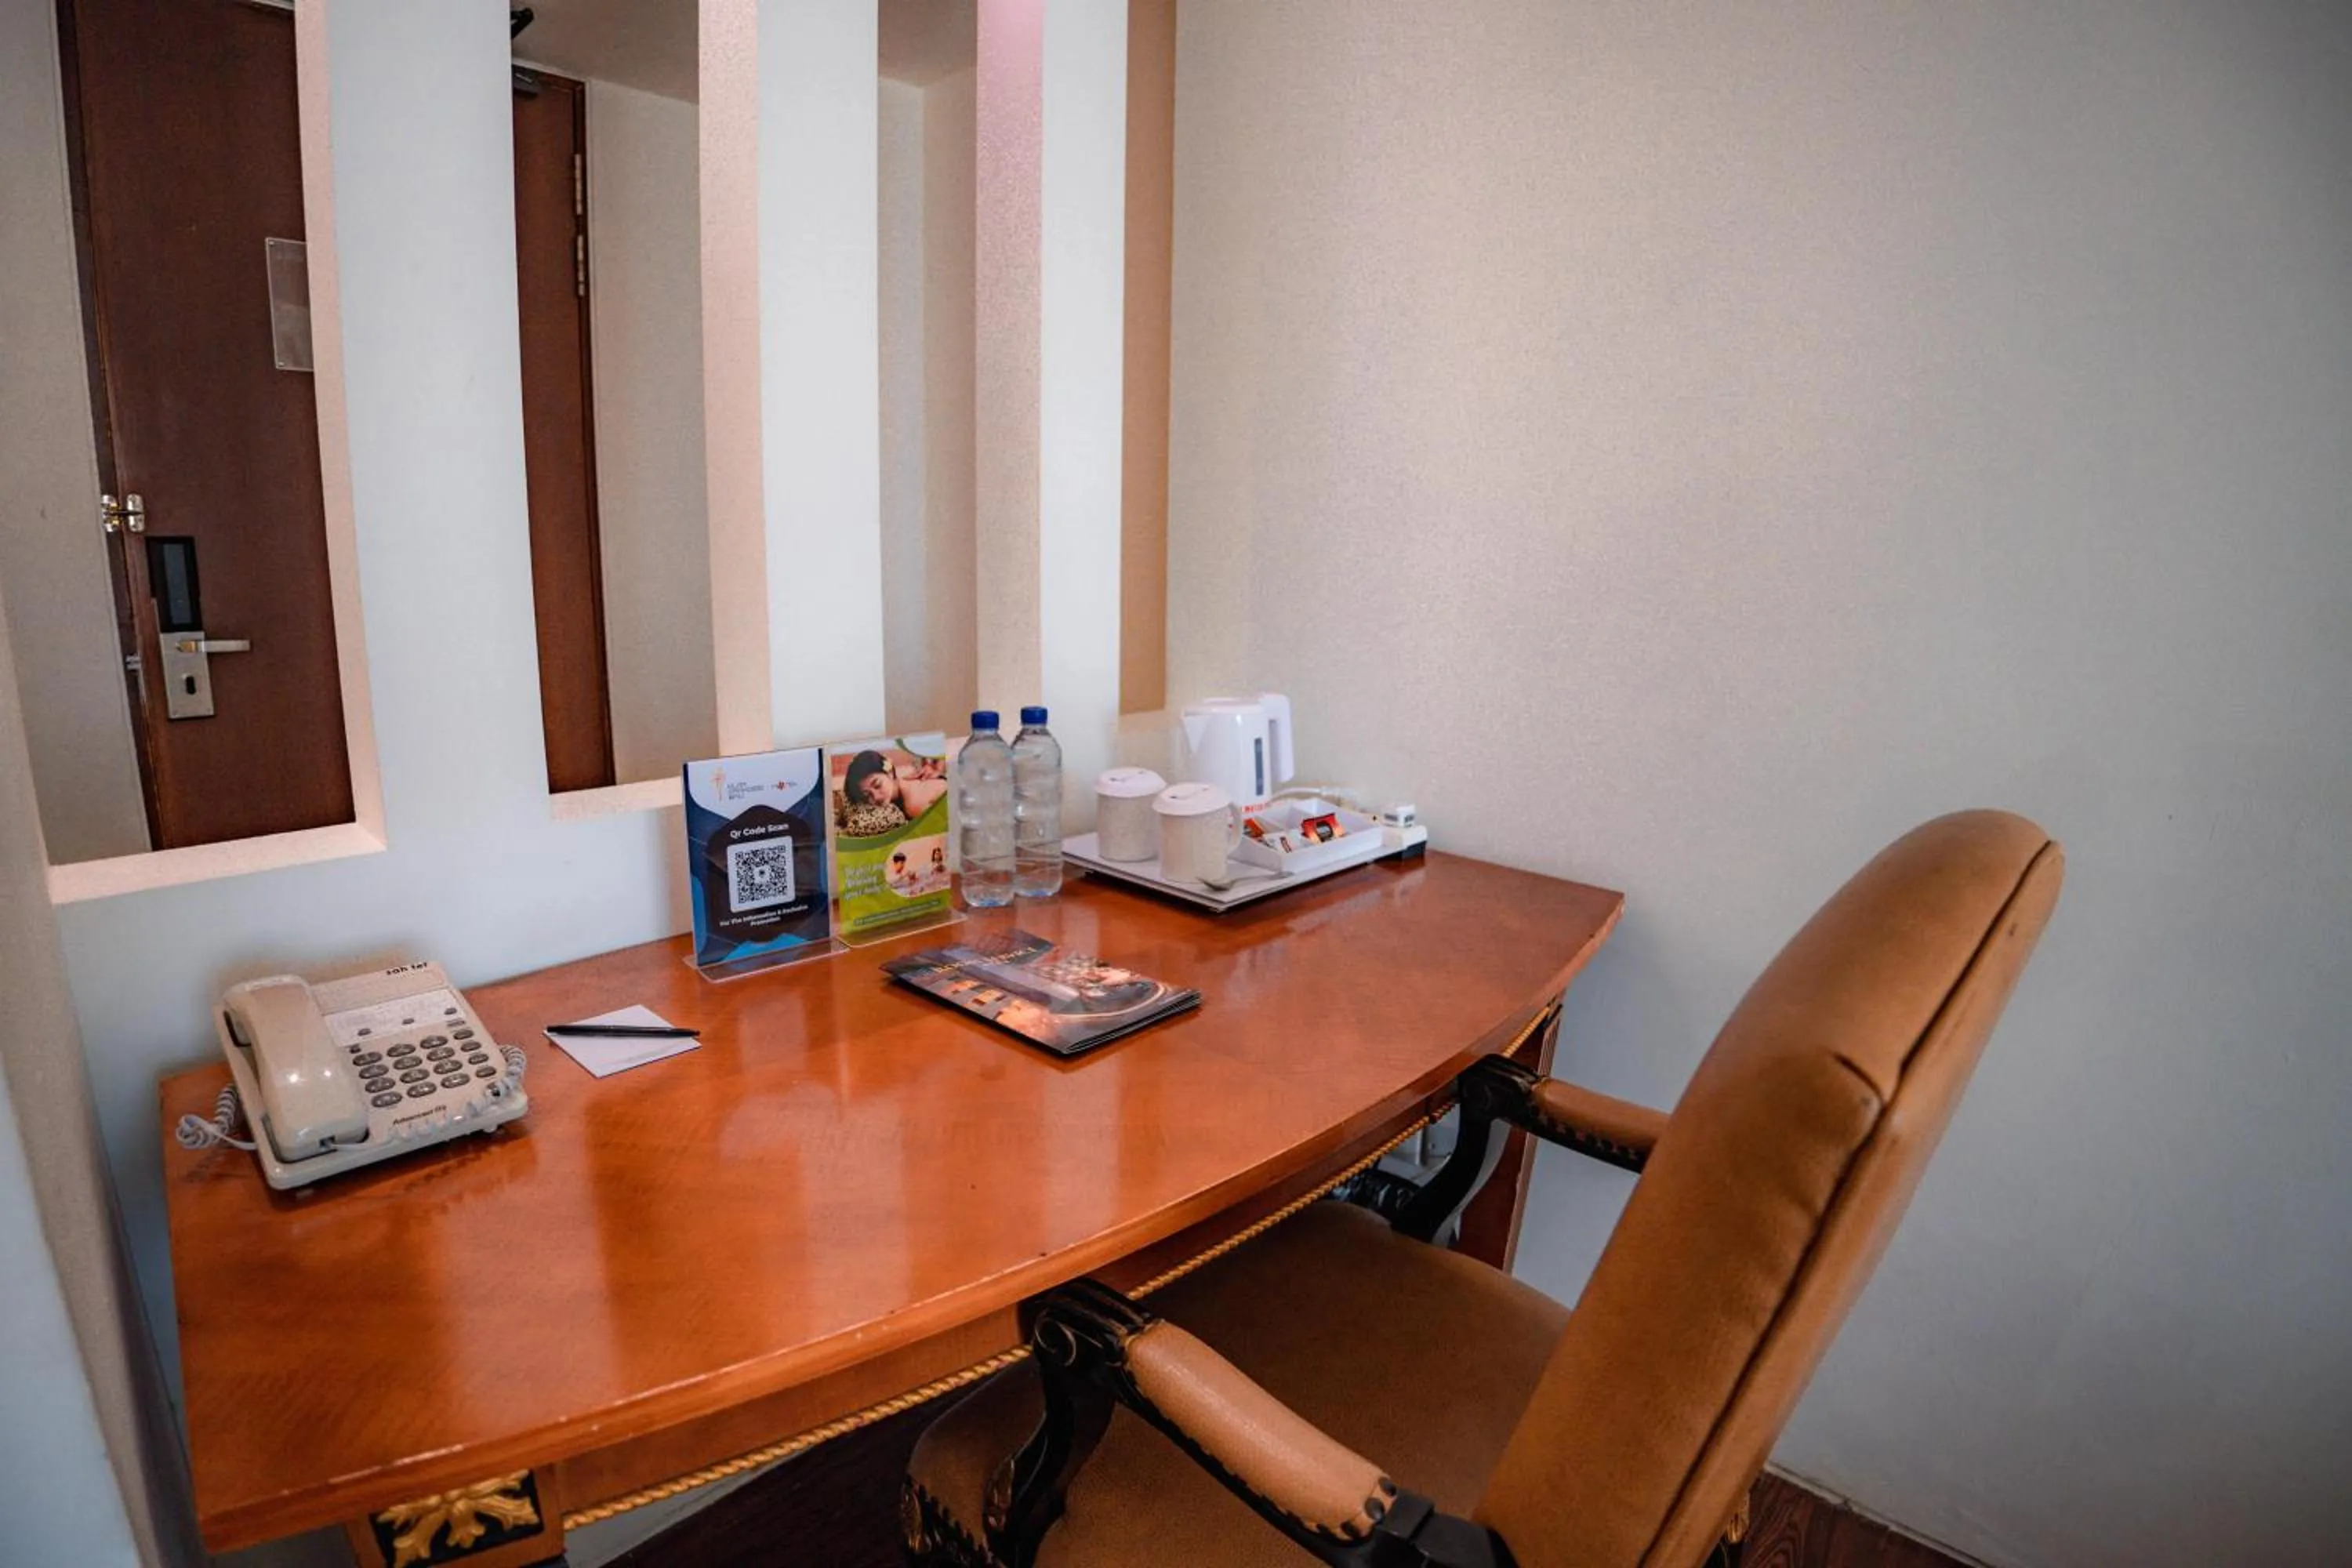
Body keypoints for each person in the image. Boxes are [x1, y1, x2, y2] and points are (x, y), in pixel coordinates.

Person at [843, 750, 948, 825]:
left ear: (889, 773)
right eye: (867, 796)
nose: (876, 797)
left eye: (877, 785)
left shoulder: (912, 805)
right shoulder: (903, 783)